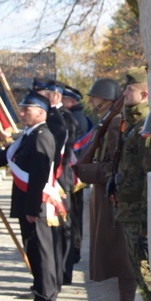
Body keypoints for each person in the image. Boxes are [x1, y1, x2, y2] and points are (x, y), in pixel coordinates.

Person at [0, 91, 62, 301]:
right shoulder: (31, 134)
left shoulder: (42, 136)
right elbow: (10, 153)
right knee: (32, 248)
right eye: (22, 109)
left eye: (27, 110)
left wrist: (32, 208)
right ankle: (40, 293)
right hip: (28, 202)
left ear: (41, 112)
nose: (22, 113)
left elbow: (39, 176)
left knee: (41, 251)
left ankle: (45, 299)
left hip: (37, 204)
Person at [71, 77, 137, 301]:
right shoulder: (109, 121)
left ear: (108, 98)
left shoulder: (115, 123)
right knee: (120, 259)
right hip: (109, 198)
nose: (91, 101)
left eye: (95, 97)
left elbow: (114, 168)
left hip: (115, 199)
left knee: (124, 260)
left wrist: (87, 172)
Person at [100, 67, 151, 301]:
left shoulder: (146, 125)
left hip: (138, 215)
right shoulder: (131, 123)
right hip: (128, 210)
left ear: (144, 93)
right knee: (139, 273)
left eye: (129, 90)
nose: (124, 94)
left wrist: (146, 224)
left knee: (147, 279)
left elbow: (148, 177)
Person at [33, 78, 79, 286]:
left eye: (41, 94)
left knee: (60, 230)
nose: (37, 98)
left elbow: (54, 151)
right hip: (52, 181)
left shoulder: (61, 118)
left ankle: (60, 275)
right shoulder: (52, 116)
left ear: (56, 96)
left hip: (58, 181)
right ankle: (53, 277)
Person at [61, 83, 92, 267]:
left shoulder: (73, 118)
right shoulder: (79, 116)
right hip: (77, 175)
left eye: (63, 99)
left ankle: (74, 250)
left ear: (71, 101)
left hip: (72, 175)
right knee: (75, 214)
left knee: (72, 215)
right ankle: (75, 249)